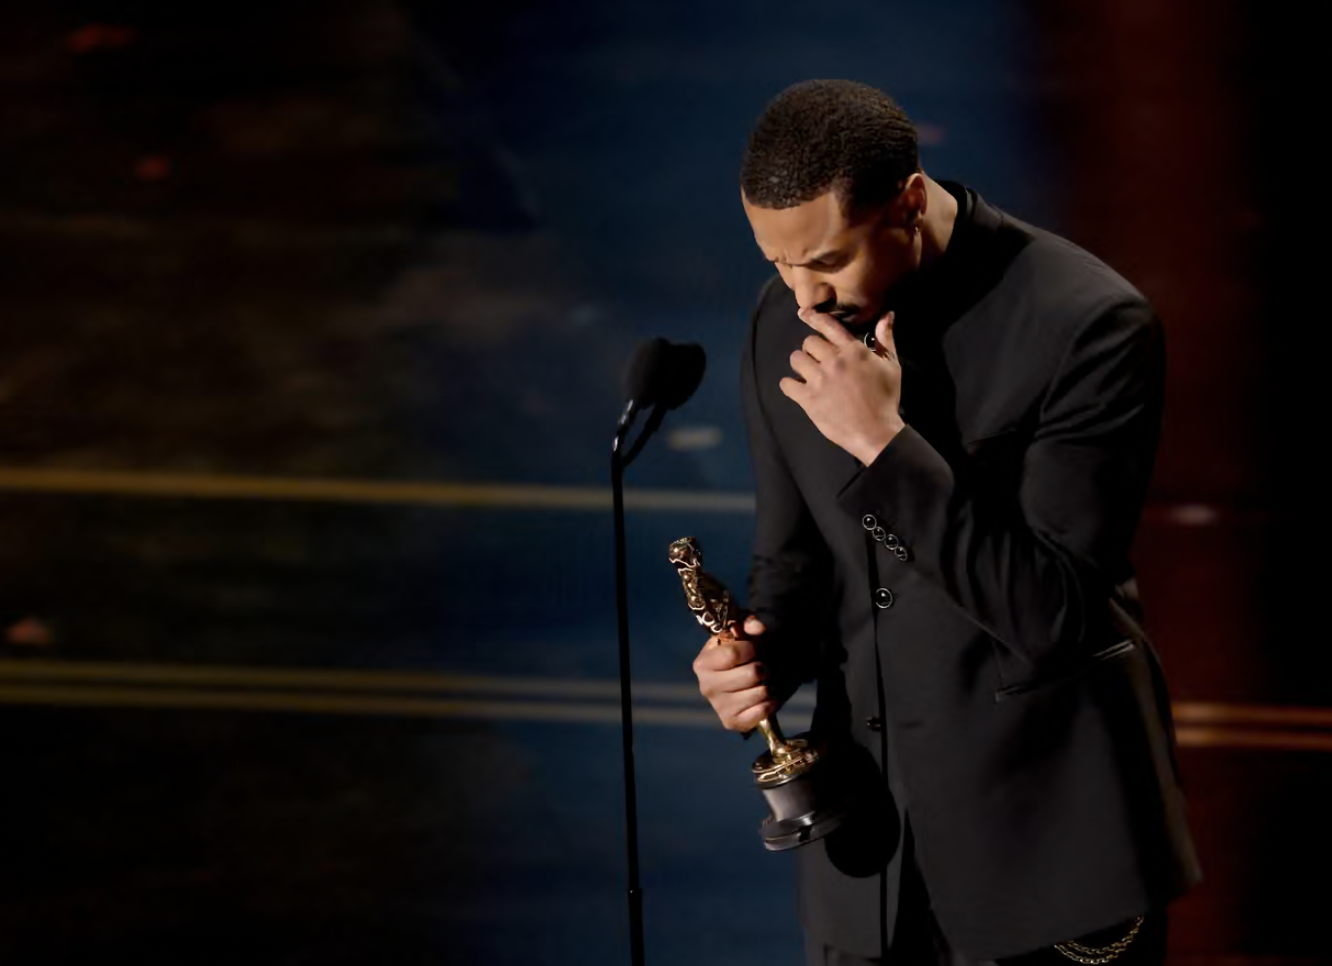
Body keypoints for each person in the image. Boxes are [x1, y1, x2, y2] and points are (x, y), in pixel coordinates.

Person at [691, 79, 1201, 966]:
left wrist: (882, 445)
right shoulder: (784, 319)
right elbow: (795, 567)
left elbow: (1050, 618)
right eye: (777, 262)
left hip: (1048, 857)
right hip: (871, 863)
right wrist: (756, 662)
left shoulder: (1088, 325)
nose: (802, 296)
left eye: (826, 261)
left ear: (910, 203)